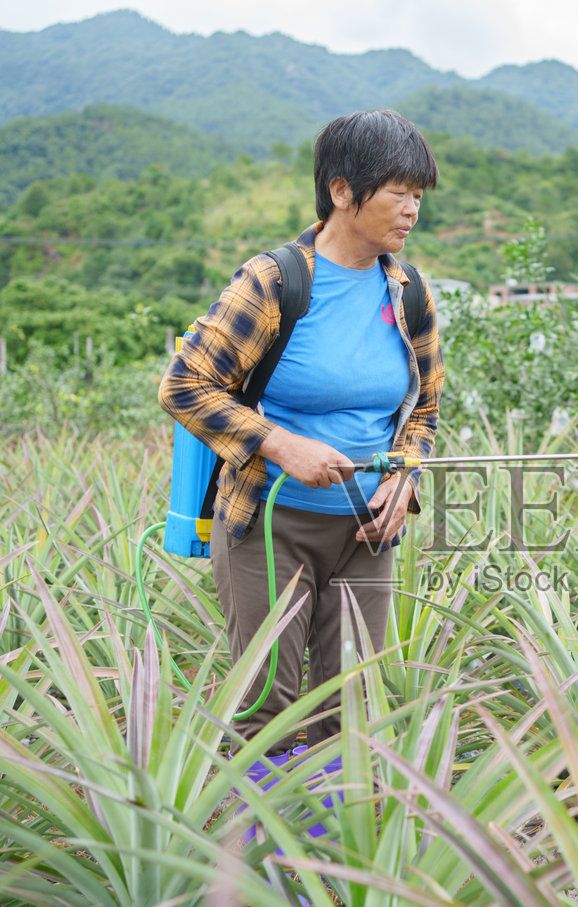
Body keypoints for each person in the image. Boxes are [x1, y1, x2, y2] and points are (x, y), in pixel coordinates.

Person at [158, 109, 442, 752]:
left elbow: (423, 410)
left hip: (366, 532)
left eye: (418, 196)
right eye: (399, 192)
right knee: (269, 713)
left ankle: (331, 845)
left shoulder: (409, 293)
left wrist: (405, 478)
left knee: (352, 710)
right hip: (270, 523)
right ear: (343, 191)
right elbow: (185, 384)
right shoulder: (276, 280)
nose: (411, 210)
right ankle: (265, 848)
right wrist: (283, 445)